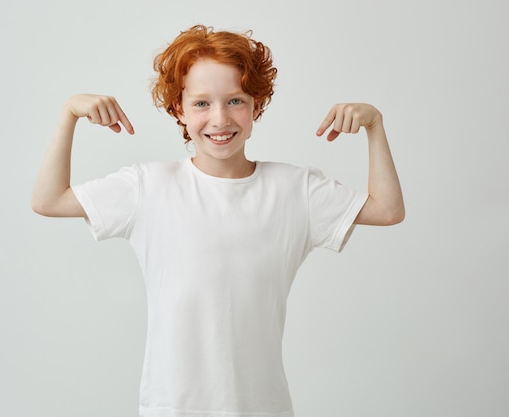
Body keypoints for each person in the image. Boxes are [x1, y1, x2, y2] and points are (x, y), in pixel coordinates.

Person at [32, 24, 404, 417]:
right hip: (172, 408)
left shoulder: (296, 190)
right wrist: (69, 114)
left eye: (236, 101)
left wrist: (375, 126)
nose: (220, 118)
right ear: (179, 108)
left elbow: (388, 209)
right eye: (201, 103)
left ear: (257, 105)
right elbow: (49, 200)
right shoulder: (149, 187)